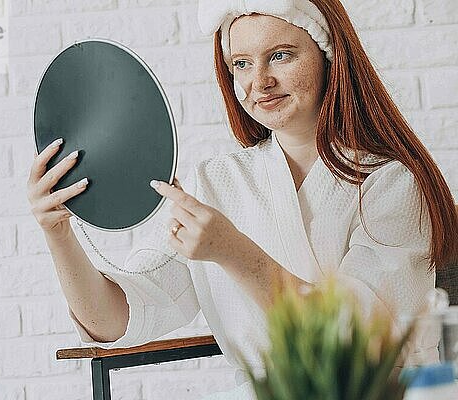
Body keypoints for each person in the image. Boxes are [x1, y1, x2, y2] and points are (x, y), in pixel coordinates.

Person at [27, 0, 458, 398]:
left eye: (281, 56)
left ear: (329, 55)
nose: (260, 81)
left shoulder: (390, 182)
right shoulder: (216, 183)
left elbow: (356, 347)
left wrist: (232, 251)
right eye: (241, 64)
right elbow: (116, 319)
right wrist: (58, 232)